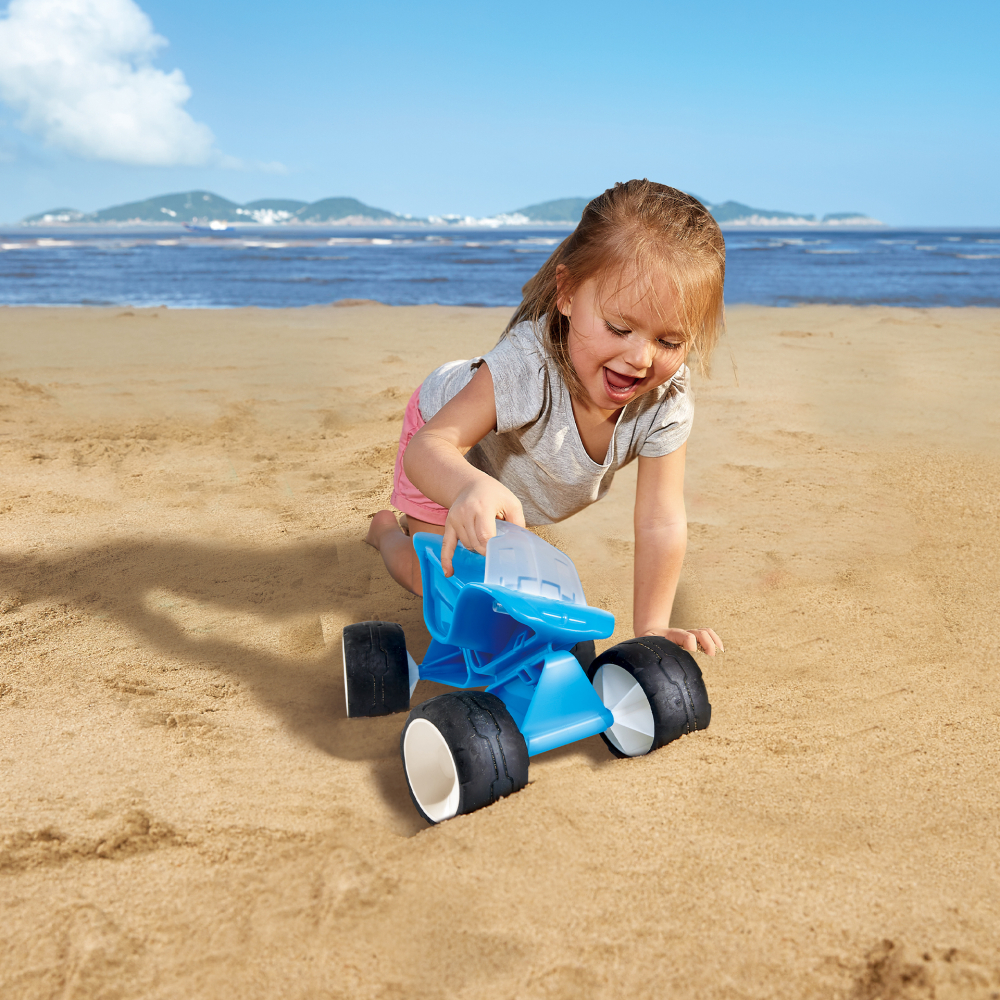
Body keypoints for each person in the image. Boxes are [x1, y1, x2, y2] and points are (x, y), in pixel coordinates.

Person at [366, 179, 725, 656]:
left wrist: (652, 628)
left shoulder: (665, 403)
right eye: (619, 327)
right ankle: (386, 531)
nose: (640, 358)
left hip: (512, 482)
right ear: (568, 294)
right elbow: (428, 449)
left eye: (670, 342)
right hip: (448, 442)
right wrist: (468, 486)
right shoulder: (526, 369)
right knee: (433, 580)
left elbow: (661, 520)